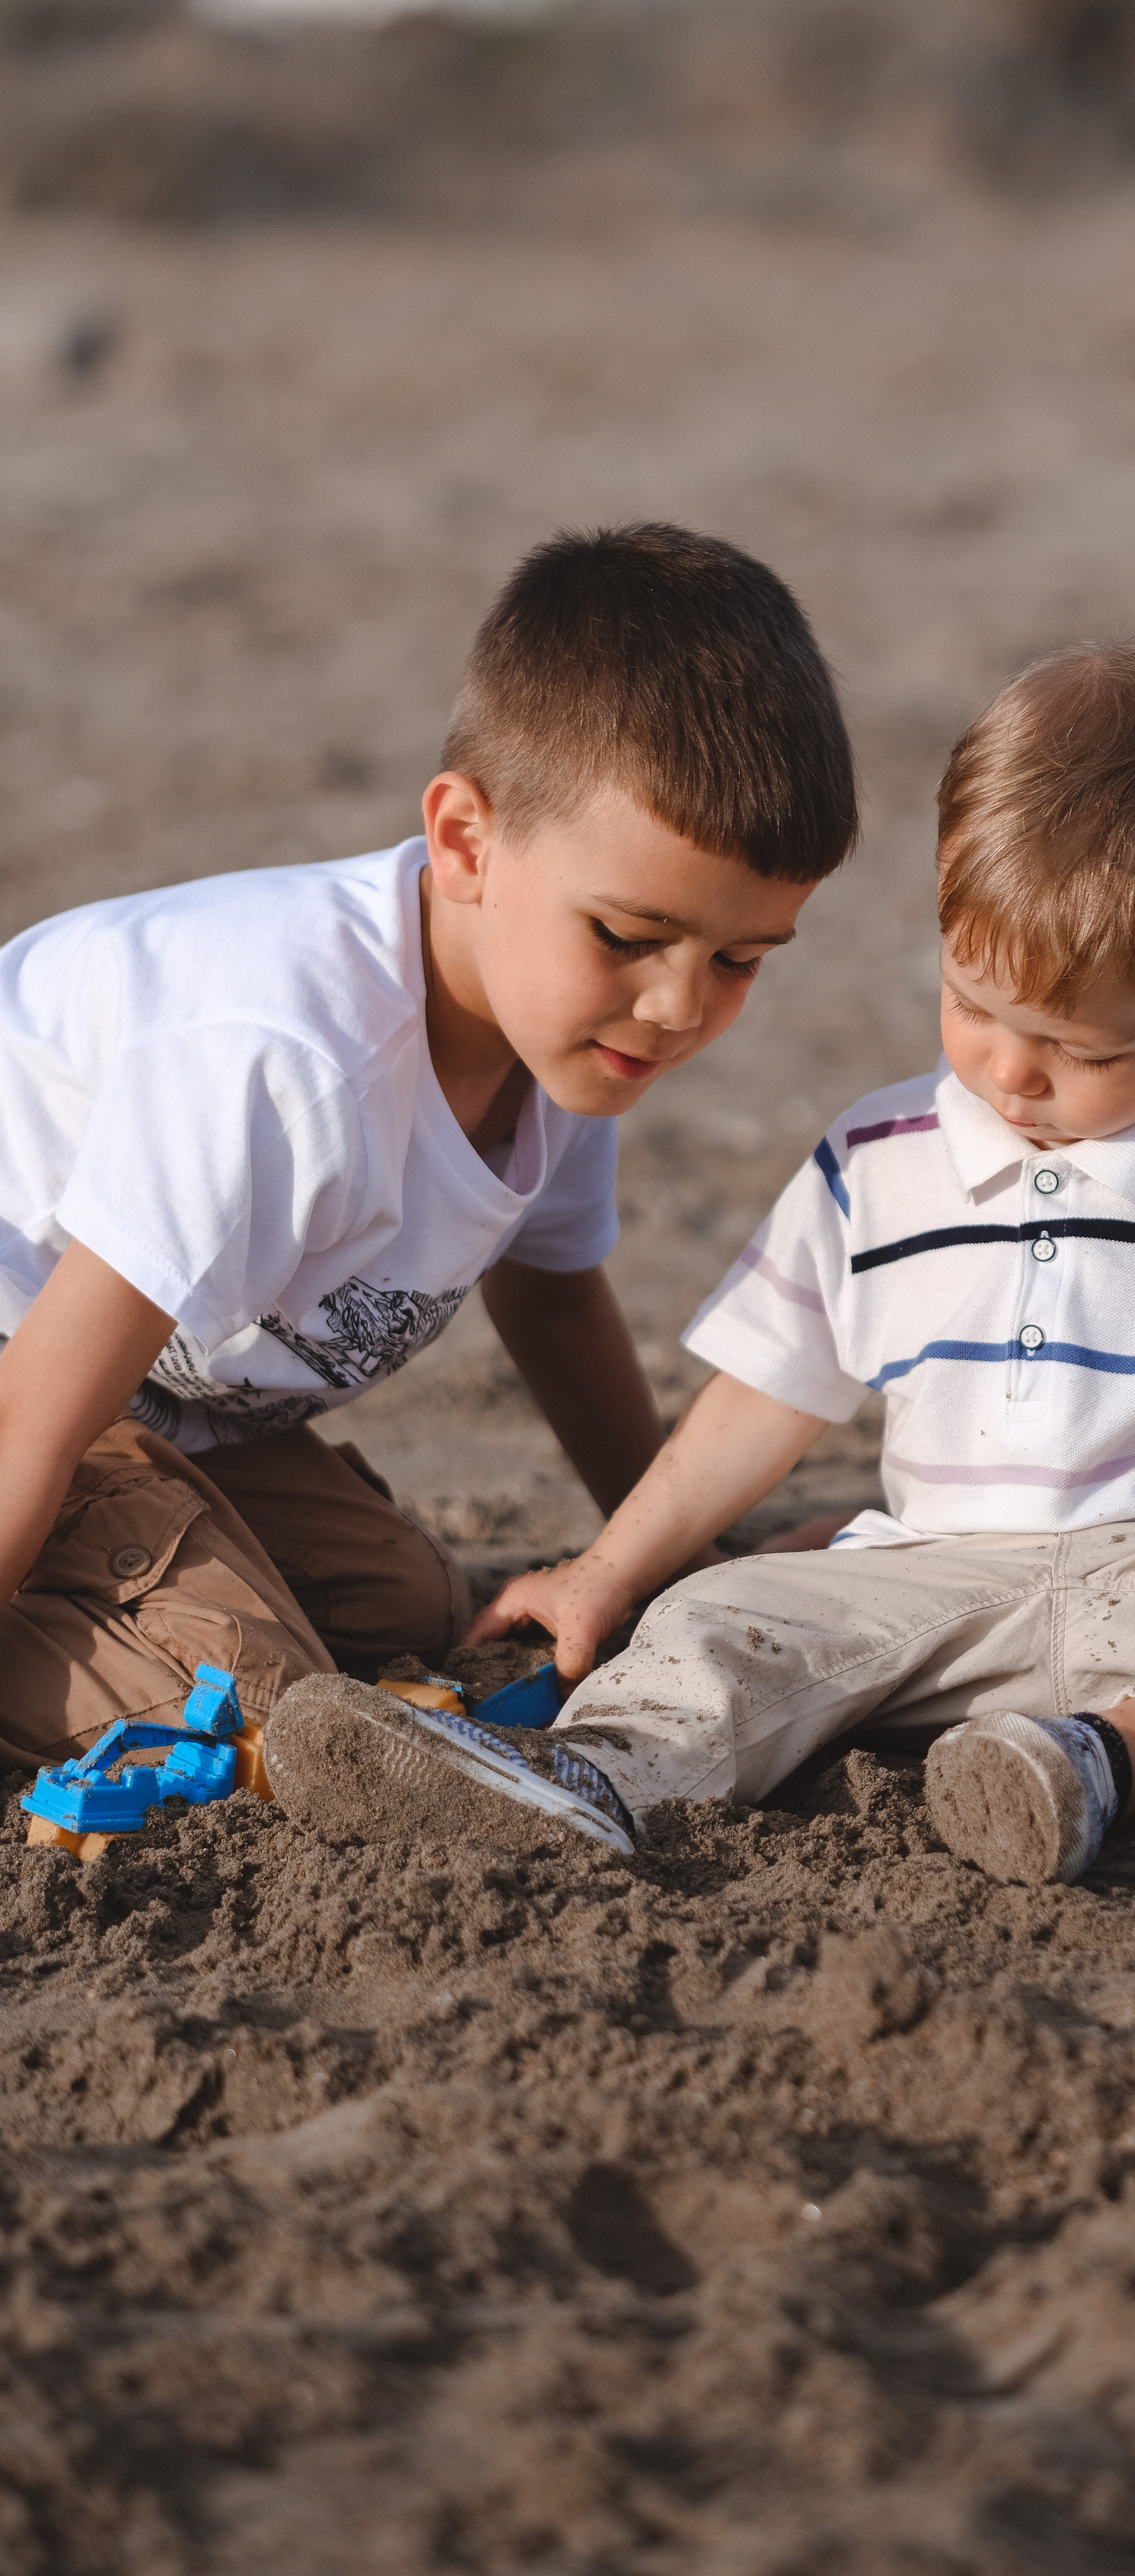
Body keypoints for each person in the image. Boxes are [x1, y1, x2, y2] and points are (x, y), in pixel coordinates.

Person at [269, 636, 1135, 1888]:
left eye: (1083, 1050)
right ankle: (589, 1780)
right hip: (932, 1584)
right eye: (973, 1006)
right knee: (720, 1613)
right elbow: (766, 1395)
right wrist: (608, 1570)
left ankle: (1099, 1768)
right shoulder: (877, 1160)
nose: (1012, 1072)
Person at [0, 523, 858, 1775]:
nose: (678, 1009)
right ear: (465, 841)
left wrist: (672, 1565)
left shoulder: (563, 1045)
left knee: (405, 1607)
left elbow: (554, 1303)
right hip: (32, 1364)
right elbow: (39, 1410)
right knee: (245, 1713)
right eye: (627, 936)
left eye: (738, 961)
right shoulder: (281, 1056)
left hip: (156, 1407)